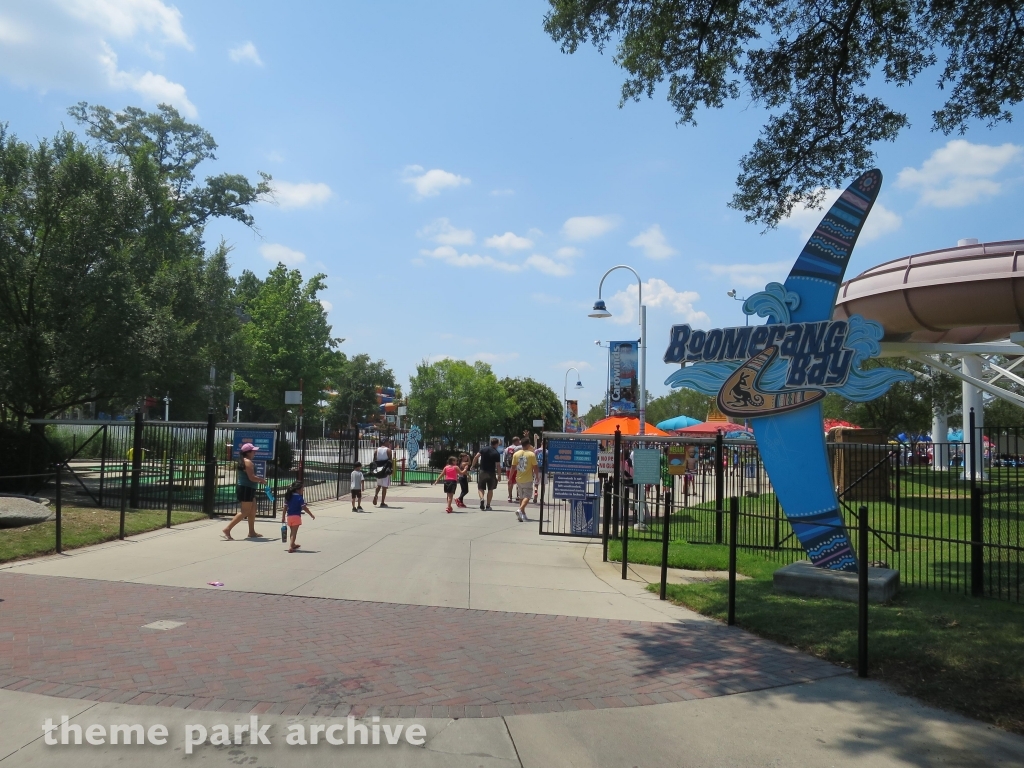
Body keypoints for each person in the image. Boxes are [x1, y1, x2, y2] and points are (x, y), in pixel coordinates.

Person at [223, 442, 267, 540]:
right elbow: (251, 477)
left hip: (249, 488)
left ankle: (251, 532)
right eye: (253, 451)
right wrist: (261, 480)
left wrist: (258, 480)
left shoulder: (245, 461)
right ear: (248, 452)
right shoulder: (247, 462)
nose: (254, 453)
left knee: (253, 509)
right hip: (246, 488)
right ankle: (227, 529)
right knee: (245, 511)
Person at [283, 481, 315, 552]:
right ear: (297, 489)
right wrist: (311, 514)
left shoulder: (288, 497)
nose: (303, 490)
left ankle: (293, 544)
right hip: (296, 517)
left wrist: (283, 517)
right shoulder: (299, 498)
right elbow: (304, 508)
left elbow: (285, 507)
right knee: (294, 532)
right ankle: (291, 547)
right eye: (302, 488)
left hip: (289, 517)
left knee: (292, 532)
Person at [472, 438, 502, 510]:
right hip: (491, 472)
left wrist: (473, 465)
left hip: (482, 471)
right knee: (490, 489)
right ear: (497, 444)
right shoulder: (496, 453)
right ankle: (488, 505)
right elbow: (498, 465)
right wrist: (499, 475)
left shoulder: (484, 449)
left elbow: (476, 456)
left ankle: (482, 498)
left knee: (480, 488)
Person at [511, 441, 537, 522]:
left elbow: (513, 467)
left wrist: (510, 477)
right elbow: (535, 467)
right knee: (528, 496)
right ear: (528, 445)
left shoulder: (516, 454)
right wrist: (537, 476)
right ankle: (520, 509)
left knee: (521, 496)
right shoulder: (531, 454)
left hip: (519, 478)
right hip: (528, 478)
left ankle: (523, 514)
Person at [371, 439, 392, 507]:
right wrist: (391, 470)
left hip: (378, 469)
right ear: (385, 442)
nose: (389, 443)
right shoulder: (388, 450)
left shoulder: (376, 450)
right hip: (385, 470)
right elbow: (390, 461)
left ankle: (376, 495)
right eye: (388, 441)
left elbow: (374, 460)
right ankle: (382, 502)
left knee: (378, 485)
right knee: (384, 487)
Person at [504, 437, 521, 502]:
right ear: (516, 441)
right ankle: (518, 496)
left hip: (508, 468)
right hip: (517, 467)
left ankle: (510, 496)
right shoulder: (518, 448)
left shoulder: (507, 449)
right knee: (518, 482)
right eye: (519, 441)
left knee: (510, 482)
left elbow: (505, 458)